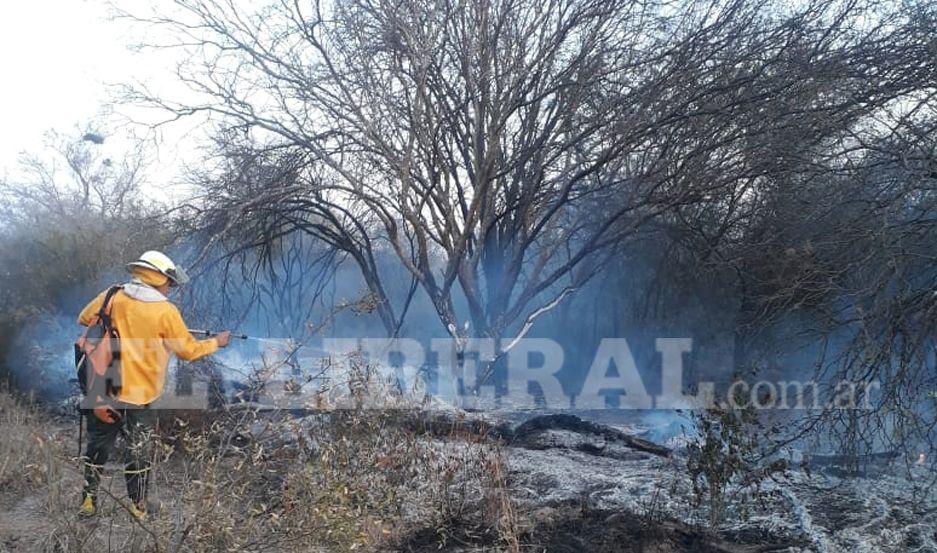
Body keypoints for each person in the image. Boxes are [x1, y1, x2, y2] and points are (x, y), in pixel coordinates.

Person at [76, 250, 231, 520]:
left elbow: (84, 318)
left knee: (98, 445)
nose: (170, 287)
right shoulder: (164, 311)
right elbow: (188, 351)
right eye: (169, 282)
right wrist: (216, 342)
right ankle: (138, 507)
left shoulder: (112, 294)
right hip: (141, 393)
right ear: (158, 278)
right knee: (139, 452)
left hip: (104, 386)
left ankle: (88, 502)